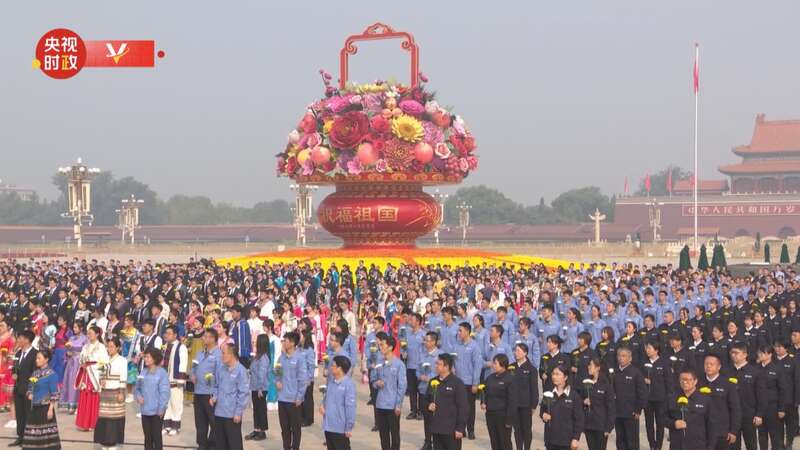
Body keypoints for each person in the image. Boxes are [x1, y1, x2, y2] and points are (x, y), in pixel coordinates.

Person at [210, 343, 249, 450]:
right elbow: (216, 385)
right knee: (220, 444)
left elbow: (243, 394)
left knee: (234, 443)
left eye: (223, 353)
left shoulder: (241, 371)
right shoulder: (221, 369)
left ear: (232, 354)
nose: (221, 355)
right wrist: (215, 396)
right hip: (219, 412)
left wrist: (238, 412)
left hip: (232, 415)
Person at [698, 353, 741, 450]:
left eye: (711, 364)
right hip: (702, 431)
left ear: (719, 367)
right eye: (706, 364)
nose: (708, 366)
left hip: (721, 432)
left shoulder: (727, 384)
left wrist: (733, 431)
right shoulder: (698, 383)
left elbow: (735, 409)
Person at [276, 331, 309, 450]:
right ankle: (286, 447)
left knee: (295, 428)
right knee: (284, 427)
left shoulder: (300, 358)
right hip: (282, 398)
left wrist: (300, 397)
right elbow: (277, 373)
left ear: (293, 343)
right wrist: (277, 381)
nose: (284, 343)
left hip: (294, 400)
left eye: (286, 341)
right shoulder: (281, 358)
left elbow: (303, 379)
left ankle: (295, 447)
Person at [372, 333, 407, 450]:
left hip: (392, 405)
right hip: (380, 403)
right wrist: (377, 383)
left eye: (383, 345)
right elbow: (373, 380)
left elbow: (402, 386)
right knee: (383, 434)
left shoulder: (399, 365)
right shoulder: (379, 362)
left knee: (394, 434)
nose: (380, 347)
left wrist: (398, 405)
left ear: (390, 347)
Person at [21, 349, 60, 450]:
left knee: (45, 434)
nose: (36, 360)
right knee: (32, 432)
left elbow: (54, 393)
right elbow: (30, 385)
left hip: (45, 408)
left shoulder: (52, 375)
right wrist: (29, 393)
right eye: (36, 358)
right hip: (34, 408)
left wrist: (50, 409)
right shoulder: (35, 373)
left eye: (39, 358)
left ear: (46, 359)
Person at [427, 353, 468, 450]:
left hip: (451, 430)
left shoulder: (457, 383)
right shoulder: (433, 382)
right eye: (436, 363)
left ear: (447, 367)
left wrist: (460, 428)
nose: (436, 366)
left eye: (439, 364)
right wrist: (428, 405)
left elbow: (463, 407)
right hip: (436, 429)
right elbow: (425, 399)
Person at [94, 337, 128, 450]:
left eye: (112, 346)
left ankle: (114, 443)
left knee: (115, 419)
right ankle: (104, 442)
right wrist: (101, 380)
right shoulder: (105, 359)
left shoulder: (122, 360)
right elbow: (100, 373)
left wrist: (121, 392)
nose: (110, 349)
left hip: (116, 392)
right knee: (104, 419)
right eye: (108, 346)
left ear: (118, 347)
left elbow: (123, 377)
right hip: (105, 393)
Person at [729, 342, 764, 450]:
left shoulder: (755, 372)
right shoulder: (726, 372)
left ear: (745, 354)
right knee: (733, 444)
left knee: (751, 444)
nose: (733, 355)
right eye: (732, 352)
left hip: (749, 415)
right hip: (731, 415)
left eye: (736, 353)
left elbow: (761, 395)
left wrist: (759, 414)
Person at [191, 327, 221, 450]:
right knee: (200, 421)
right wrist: (192, 374)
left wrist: (216, 395)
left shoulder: (218, 355)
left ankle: (213, 445)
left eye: (208, 336)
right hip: (198, 391)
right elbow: (193, 367)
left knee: (214, 421)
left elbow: (220, 376)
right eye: (204, 336)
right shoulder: (200, 353)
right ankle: (202, 445)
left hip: (210, 393)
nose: (205, 338)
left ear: (214, 339)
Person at [540, 364, 583, 450]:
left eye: (557, 374)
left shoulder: (574, 396)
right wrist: (543, 415)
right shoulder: (549, 394)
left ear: (565, 377)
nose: (554, 377)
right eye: (553, 374)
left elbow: (579, 419)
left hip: (566, 442)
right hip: (550, 440)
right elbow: (542, 410)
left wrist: (576, 438)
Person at [667, 369, 712, 450]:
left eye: (688, 379)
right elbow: (662, 418)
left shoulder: (705, 399)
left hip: (698, 445)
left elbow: (712, 426)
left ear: (695, 381)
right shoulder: (672, 398)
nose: (684, 382)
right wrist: (673, 424)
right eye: (682, 379)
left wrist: (710, 447)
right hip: (677, 445)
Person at [452, 322, 483, 440]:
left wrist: (475, 382)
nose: (458, 333)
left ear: (467, 331)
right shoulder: (456, 346)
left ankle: (471, 430)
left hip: (469, 382)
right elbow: (453, 360)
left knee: (469, 407)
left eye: (460, 331)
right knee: (458, 406)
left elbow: (477, 365)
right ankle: (461, 428)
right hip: (458, 381)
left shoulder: (474, 346)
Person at [613, 346, 647, 450]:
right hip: (617, 413)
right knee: (620, 441)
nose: (621, 358)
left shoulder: (636, 373)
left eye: (623, 356)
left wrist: (638, 410)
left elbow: (642, 393)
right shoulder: (614, 372)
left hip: (631, 413)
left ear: (630, 358)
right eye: (619, 355)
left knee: (632, 441)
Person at [135, 348, 170, 450]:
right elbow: (137, 388)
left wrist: (161, 408)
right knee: (147, 438)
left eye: (148, 357)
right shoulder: (143, 372)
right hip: (145, 410)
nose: (145, 359)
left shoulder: (162, 373)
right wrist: (138, 396)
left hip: (156, 411)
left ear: (155, 359)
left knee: (156, 437)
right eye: (145, 356)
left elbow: (165, 392)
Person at [75, 325, 108, 431]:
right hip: (86, 374)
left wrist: (102, 377)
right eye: (88, 333)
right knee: (84, 396)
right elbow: (81, 357)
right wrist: (83, 363)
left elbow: (104, 362)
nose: (88, 336)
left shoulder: (101, 347)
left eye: (91, 333)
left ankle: (93, 423)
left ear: (97, 334)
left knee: (93, 398)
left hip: (94, 373)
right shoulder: (86, 346)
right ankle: (84, 423)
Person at [321, 355, 357, 450]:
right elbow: (326, 398)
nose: (331, 367)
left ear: (340, 368)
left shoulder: (348, 385)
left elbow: (350, 408)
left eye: (333, 365)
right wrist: (322, 406)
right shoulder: (331, 382)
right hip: (329, 426)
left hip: (340, 428)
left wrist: (349, 427)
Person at [757, 345, 789, 450]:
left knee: (775, 436)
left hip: (773, 408)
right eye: (759, 353)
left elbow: (783, 390)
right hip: (759, 409)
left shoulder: (777, 369)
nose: (760, 355)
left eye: (763, 353)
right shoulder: (756, 368)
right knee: (761, 435)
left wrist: (781, 409)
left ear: (770, 354)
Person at [482, 353, 516, 450]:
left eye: (495, 363)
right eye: (493, 363)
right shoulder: (490, 378)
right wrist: (483, 402)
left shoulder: (510, 379)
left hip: (503, 415)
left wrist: (509, 420)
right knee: (494, 440)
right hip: (490, 414)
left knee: (504, 441)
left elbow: (512, 401)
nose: (493, 365)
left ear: (503, 365)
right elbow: (484, 391)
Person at [10, 330, 37, 447]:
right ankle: (20, 436)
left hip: (28, 390)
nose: (18, 340)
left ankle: (28, 438)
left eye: (20, 338)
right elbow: (14, 368)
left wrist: (32, 389)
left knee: (28, 414)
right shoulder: (18, 353)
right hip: (18, 388)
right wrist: (13, 374)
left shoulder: (35, 354)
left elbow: (36, 373)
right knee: (20, 414)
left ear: (27, 340)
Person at [510, 342, 539, 450]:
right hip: (514, 404)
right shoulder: (511, 367)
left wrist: (534, 405)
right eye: (515, 350)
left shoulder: (531, 369)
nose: (515, 353)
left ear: (525, 353)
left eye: (518, 351)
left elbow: (534, 389)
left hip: (526, 405)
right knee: (517, 429)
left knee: (526, 429)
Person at [642, 340, 670, 450]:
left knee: (660, 424)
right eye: (646, 348)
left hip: (660, 399)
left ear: (656, 350)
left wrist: (652, 382)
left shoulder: (664, 363)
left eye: (649, 348)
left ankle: (658, 446)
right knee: (649, 424)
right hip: (648, 399)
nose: (647, 350)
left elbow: (668, 382)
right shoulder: (643, 362)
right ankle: (652, 445)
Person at [582, 357, 615, 450]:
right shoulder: (587, 383)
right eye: (588, 365)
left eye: (591, 365)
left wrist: (609, 427)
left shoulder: (606, 384)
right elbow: (579, 400)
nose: (588, 367)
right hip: (589, 425)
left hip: (601, 426)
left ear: (598, 367)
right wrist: (583, 401)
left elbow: (611, 407)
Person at [162, 325, 188, 435]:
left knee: (176, 403)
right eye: (166, 333)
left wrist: (180, 380)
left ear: (175, 335)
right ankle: (167, 425)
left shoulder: (181, 347)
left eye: (169, 333)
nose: (166, 335)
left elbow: (183, 363)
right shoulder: (166, 346)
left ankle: (175, 426)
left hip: (175, 380)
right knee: (166, 404)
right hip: (165, 380)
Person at [417, 331, 441, 450]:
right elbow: (417, 370)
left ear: (433, 342)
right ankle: (428, 441)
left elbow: (444, 373)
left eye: (427, 340)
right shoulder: (422, 354)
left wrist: (431, 378)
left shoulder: (440, 356)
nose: (425, 342)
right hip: (423, 390)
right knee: (427, 418)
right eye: (425, 340)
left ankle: (437, 441)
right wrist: (420, 376)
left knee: (436, 419)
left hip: (436, 392)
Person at [245, 333, 270, 441]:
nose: (254, 343)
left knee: (261, 409)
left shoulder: (264, 358)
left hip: (261, 388)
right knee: (256, 409)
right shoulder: (257, 356)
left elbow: (262, 374)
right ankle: (256, 429)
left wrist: (260, 388)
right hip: (254, 386)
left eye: (256, 341)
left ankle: (262, 431)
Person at [59, 321, 86, 413]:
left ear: (81, 328)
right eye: (73, 327)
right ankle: (70, 404)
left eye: (76, 327)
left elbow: (86, 351)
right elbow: (67, 350)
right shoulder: (71, 338)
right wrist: (68, 353)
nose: (74, 329)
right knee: (69, 382)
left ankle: (78, 405)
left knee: (77, 382)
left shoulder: (85, 339)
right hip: (71, 362)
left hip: (79, 362)